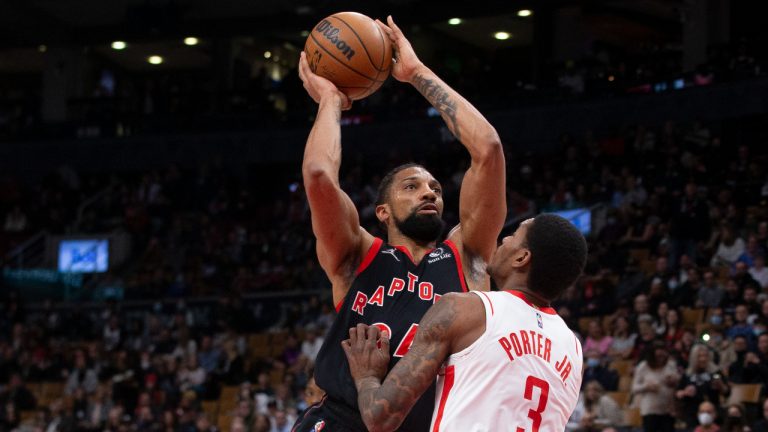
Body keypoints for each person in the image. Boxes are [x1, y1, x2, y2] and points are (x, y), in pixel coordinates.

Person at [294, 15, 506, 432]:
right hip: (342, 420)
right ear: (383, 212)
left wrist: (416, 73)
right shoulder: (358, 255)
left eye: (435, 187)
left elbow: (489, 148)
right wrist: (330, 101)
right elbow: (319, 175)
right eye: (411, 186)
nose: (430, 192)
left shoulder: (468, 255)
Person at [342, 214, 588, 431]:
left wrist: (367, 377)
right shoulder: (574, 351)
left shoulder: (466, 309)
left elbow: (380, 418)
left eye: (514, 235)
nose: (504, 240)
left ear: (522, 258)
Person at [631, 341, 680, 432]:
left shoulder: (671, 365)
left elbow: (678, 383)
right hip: (650, 410)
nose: (660, 359)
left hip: (668, 409)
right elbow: (634, 388)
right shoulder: (643, 366)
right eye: (658, 357)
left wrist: (673, 381)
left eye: (663, 356)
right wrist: (646, 386)